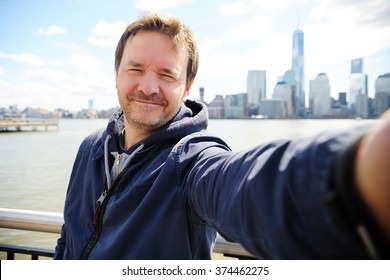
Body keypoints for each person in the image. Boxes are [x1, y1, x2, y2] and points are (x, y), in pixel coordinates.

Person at [54, 13, 390, 260]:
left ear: (186, 87)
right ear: (116, 75)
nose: (148, 86)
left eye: (166, 75)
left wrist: (353, 175)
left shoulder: (188, 162)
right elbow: (69, 236)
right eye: (136, 69)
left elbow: (247, 188)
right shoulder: (91, 148)